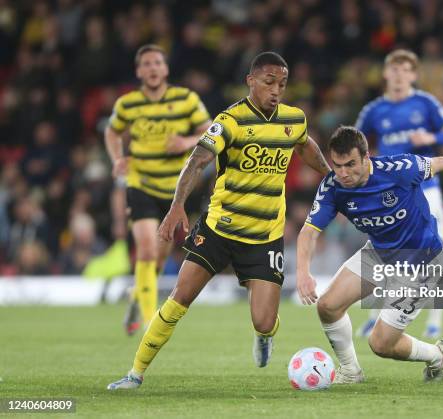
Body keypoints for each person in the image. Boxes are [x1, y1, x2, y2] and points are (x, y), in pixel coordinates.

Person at [107, 51, 331, 390]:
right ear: (251, 81)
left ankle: (264, 337)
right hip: (218, 229)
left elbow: (305, 145)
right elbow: (197, 161)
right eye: (269, 82)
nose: (276, 90)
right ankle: (134, 373)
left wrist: (331, 177)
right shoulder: (230, 121)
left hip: (264, 236)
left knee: (264, 321)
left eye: (282, 84)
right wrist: (176, 206)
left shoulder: (294, 119)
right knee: (179, 299)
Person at [297, 126, 443, 383]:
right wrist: (304, 273)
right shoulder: (333, 187)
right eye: (337, 165)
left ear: (366, 157)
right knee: (327, 306)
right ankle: (350, 372)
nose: (343, 173)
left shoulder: (398, 169)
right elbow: (308, 232)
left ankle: (437, 355)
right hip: (380, 253)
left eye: (350, 164)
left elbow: (438, 163)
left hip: (422, 261)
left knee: (380, 344)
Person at [104, 44, 212, 335]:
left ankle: (136, 298)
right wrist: (117, 159)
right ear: (139, 71)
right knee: (147, 251)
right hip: (141, 183)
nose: (152, 68)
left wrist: (186, 142)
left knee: (159, 258)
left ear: (165, 69)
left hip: (174, 192)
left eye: (157, 63)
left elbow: (211, 128)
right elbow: (112, 132)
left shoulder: (185, 99)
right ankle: (151, 321)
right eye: (146, 64)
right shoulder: (128, 104)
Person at [355, 49, 443, 339]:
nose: (399, 75)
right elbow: (354, 140)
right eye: (394, 69)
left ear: (414, 75)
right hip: (390, 190)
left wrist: (431, 138)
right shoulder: (374, 110)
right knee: (385, 248)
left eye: (405, 70)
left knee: (435, 249)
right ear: (386, 74)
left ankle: (436, 319)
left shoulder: (426, 103)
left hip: (426, 186)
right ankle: (376, 315)